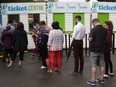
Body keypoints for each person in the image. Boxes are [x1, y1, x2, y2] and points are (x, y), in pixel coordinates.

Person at [87, 18, 107, 86]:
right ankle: (101, 79)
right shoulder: (104, 29)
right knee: (102, 64)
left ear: (94, 23)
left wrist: (89, 38)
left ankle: (93, 80)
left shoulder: (93, 29)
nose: (92, 25)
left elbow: (90, 39)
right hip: (102, 49)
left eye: (92, 24)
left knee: (94, 65)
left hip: (94, 50)